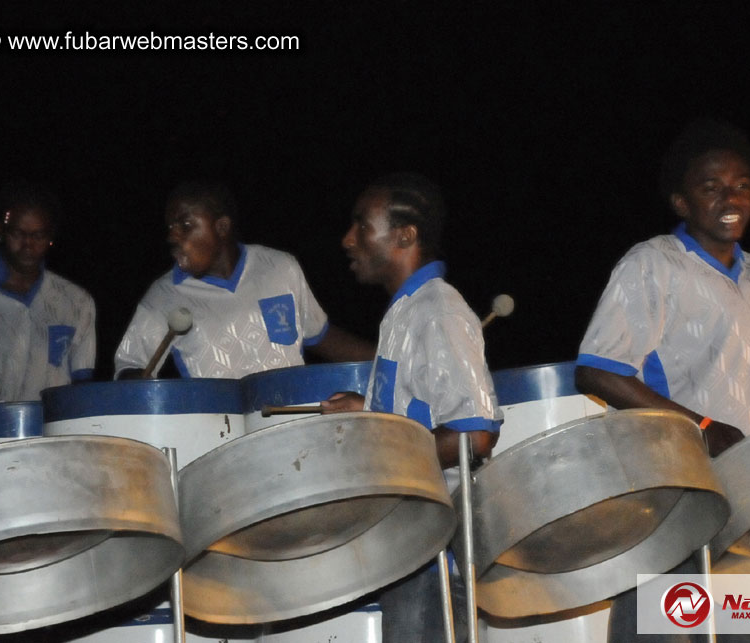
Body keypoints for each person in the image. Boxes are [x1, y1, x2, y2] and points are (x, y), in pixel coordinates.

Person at [576, 119, 750, 642]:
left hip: (736, 481)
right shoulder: (653, 263)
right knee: (658, 629)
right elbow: (598, 366)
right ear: (682, 203)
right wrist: (702, 425)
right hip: (666, 483)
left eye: (741, 185)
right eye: (710, 187)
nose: (729, 197)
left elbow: (747, 373)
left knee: (743, 630)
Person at [321, 173, 502, 643]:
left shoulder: (437, 311)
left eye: (362, 226)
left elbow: (472, 436)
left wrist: (387, 446)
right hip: (415, 546)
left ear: (405, 235)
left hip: (439, 554)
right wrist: (371, 412)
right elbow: (419, 418)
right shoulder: (406, 312)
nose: (348, 239)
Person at [114, 181, 372, 379]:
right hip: (220, 433)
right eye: (170, 227)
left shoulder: (279, 267)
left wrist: (386, 357)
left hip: (291, 423)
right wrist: (138, 383)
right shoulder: (164, 296)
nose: (173, 236)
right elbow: (129, 366)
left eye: (185, 224)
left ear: (222, 227)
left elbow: (320, 336)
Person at [0, 181, 96, 401]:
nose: (28, 244)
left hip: (50, 431)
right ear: (0, 230)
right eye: (18, 233)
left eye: (38, 236)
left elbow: (82, 386)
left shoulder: (76, 302)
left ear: (51, 237)